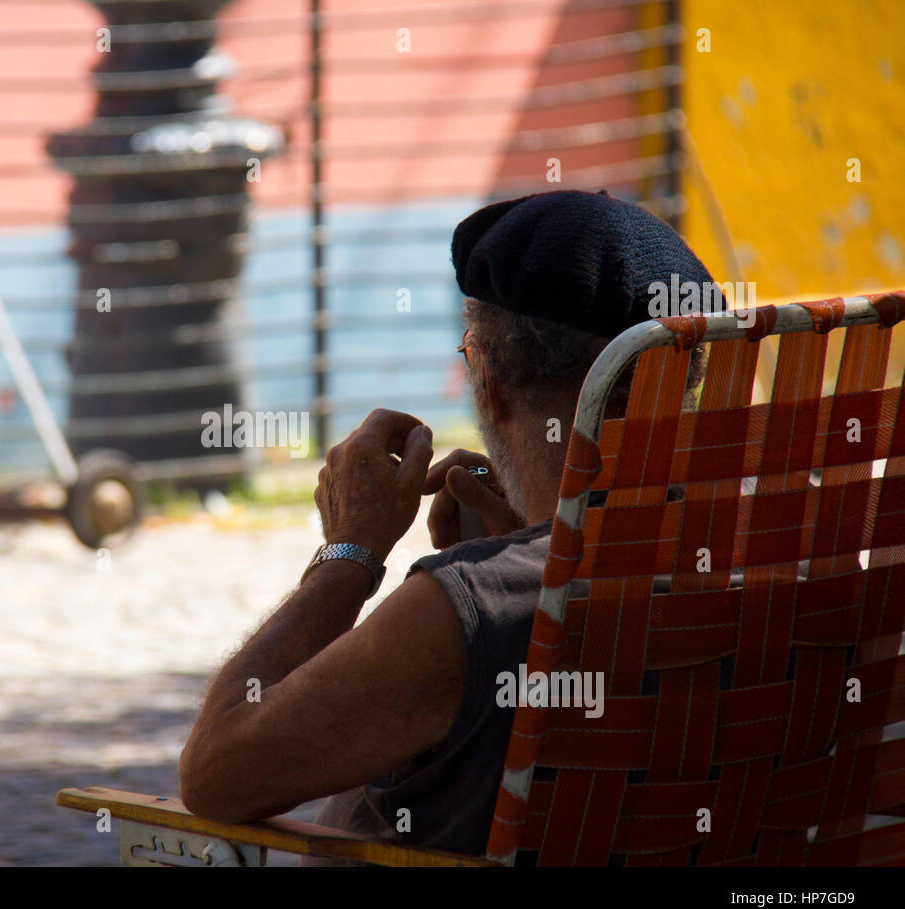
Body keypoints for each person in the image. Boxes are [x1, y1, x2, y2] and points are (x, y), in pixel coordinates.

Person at [177, 190, 714, 862]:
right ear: (686, 381)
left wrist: (350, 551)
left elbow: (216, 774)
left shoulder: (472, 609)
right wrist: (521, 538)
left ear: (487, 378)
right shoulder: (788, 562)